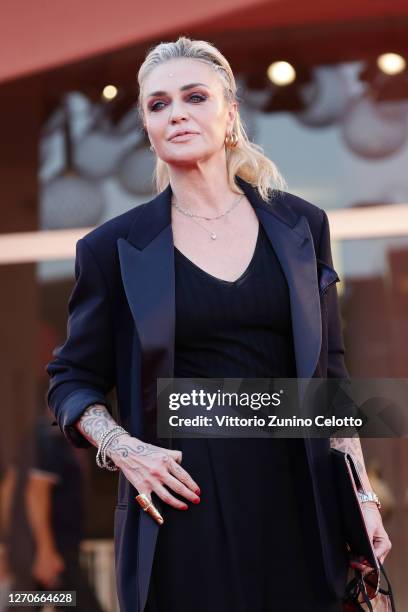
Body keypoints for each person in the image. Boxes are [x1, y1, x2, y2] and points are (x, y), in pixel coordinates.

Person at [46, 36, 392, 612]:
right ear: (147, 127)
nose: (176, 112)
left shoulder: (301, 225)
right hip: (181, 507)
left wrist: (361, 496)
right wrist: (125, 449)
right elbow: (69, 379)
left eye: (194, 96)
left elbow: (330, 371)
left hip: (301, 500)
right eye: (158, 105)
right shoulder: (112, 248)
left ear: (230, 113)